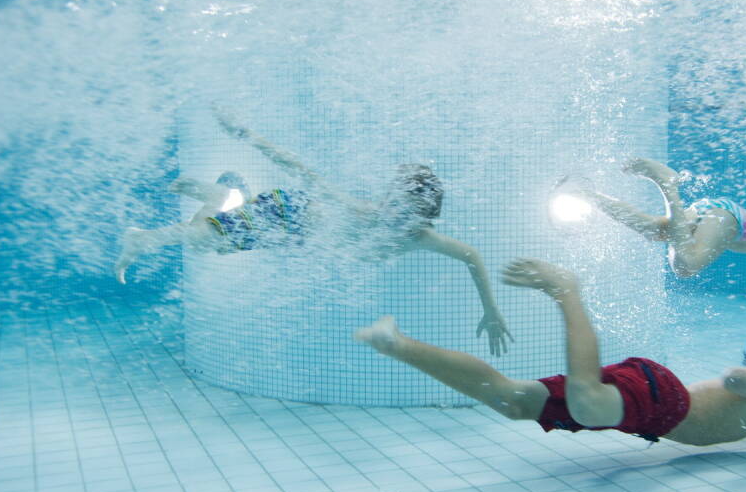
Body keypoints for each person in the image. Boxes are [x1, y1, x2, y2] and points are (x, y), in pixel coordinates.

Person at [115, 113, 514, 356]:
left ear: (423, 213)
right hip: (289, 212)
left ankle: (218, 196)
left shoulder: (418, 237)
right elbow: (304, 171)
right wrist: (246, 134)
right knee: (204, 240)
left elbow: (471, 257)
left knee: (207, 246)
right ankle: (143, 237)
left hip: (291, 235)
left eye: (406, 211)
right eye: (394, 204)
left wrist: (491, 311)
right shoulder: (368, 214)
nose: (395, 215)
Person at [355, 258, 746, 445]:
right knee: (587, 399)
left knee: (512, 401)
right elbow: (734, 379)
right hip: (663, 400)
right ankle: (567, 291)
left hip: (651, 410)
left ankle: (395, 343)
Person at [569, 157, 746, 277]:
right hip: (730, 222)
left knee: (652, 229)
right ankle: (667, 184)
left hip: (725, 217)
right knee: (686, 265)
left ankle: (583, 193)